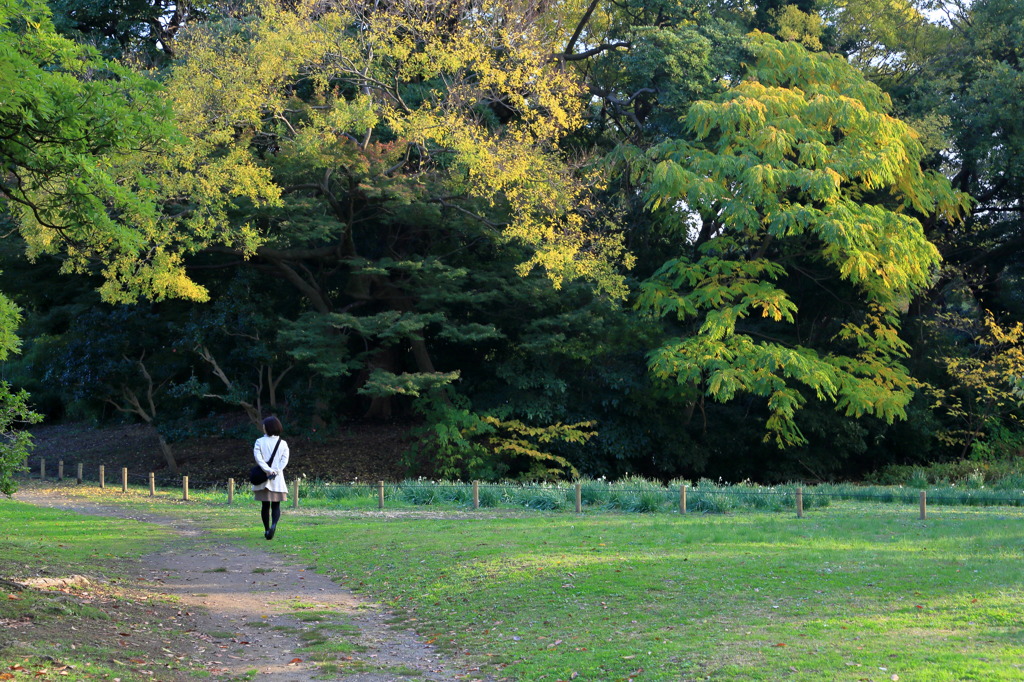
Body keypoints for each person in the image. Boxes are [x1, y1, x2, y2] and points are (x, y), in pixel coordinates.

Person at [253, 415, 290, 540]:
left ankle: (267, 529)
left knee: (265, 505)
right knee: (276, 505)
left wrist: (268, 470)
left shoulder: (259, 441)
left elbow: (259, 459)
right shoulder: (283, 443)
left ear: (267, 427)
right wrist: (277, 470)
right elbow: (285, 460)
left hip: (264, 477)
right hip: (277, 479)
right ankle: (274, 524)